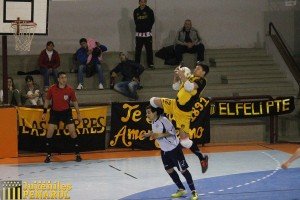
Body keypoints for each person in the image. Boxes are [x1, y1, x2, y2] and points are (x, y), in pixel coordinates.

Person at [150, 62, 209, 173]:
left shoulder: (201, 81)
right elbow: (175, 86)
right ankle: (162, 122)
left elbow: (189, 87)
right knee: (153, 101)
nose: (196, 69)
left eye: (198, 68)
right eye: (196, 67)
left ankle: (202, 158)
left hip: (183, 113)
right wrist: (176, 75)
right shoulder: (189, 76)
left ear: (203, 72)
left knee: (185, 142)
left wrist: (182, 75)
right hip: (174, 105)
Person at [143, 105, 198, 200]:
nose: (147, 114)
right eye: (146, 113)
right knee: (169, 169)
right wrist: (149, 134)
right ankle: (181, 189)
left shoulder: (163, 120)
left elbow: (172, 132)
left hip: (174, 148)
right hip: (164, 150)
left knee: (183, 170)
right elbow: (156, 131)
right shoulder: (153, 121)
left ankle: (194, 192)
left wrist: (160, 135)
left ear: (155, 112)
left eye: (149, 112)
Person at [42, 71, 82, 163]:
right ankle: (48, 155)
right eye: (62, 78)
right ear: (58, 79)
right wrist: (44, 112)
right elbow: (47, 100)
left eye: (65, 77)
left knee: (72, 131)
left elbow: (75, 102)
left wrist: (78, 114)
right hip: (55, 113)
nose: (64, 79)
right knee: (49, 132)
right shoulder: (52, 89)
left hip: (66, 113)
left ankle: (77, 154)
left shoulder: (70, 89)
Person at [133, 0, 155, 69]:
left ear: (145, 2)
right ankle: (137, 64)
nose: (142, 3)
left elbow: (152, 20)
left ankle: (150, 64)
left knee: (149, 49)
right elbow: (135, 21)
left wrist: (148, 27)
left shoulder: (149, 11)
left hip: (147, 34)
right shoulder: (136, 11)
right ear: (139, 2)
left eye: (144, 2)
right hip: (139, 34)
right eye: (141, 2)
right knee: (138, 50)